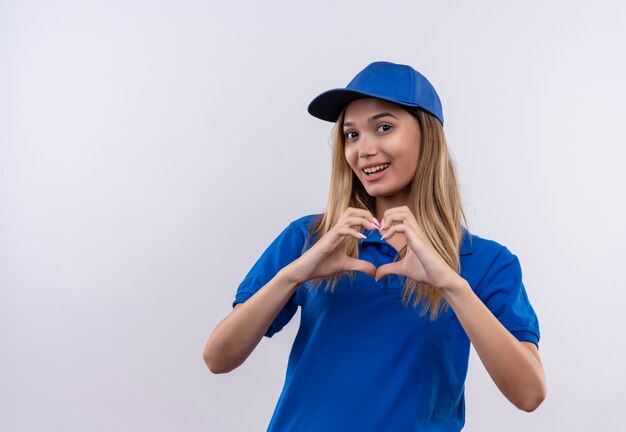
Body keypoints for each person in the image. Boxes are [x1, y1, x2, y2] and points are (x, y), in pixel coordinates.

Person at [203, 61, 547, 431]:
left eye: (383, 128)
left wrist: (450, 284)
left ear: (426, 137)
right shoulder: (313, 239)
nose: (363, 150)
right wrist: (295, 274)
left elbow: (529, 394)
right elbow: (218, 357)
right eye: (351, 135)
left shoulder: (486, 262)